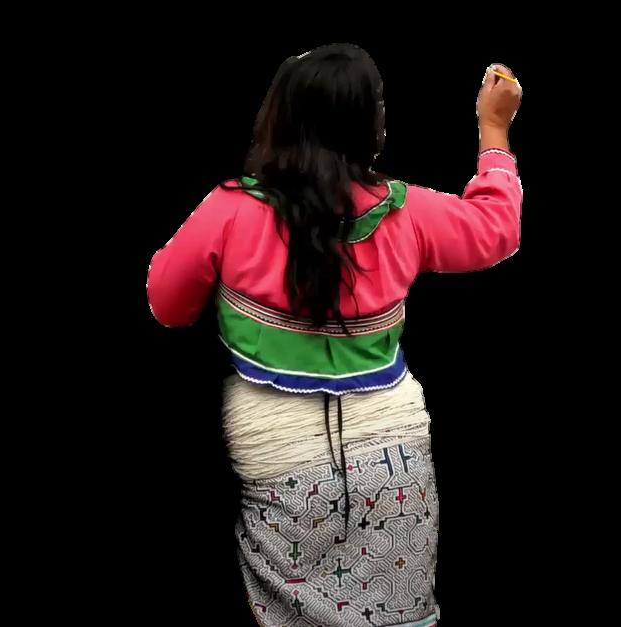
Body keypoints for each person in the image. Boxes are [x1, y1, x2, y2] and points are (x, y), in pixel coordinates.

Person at [146, 43, 522, 626]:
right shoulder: (406, 212)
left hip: (276, 459)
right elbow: (496, 229)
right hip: (393, 466)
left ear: (277, 117)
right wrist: (493, 129)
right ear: (372, 125)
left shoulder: (228, 210)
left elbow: (167, 306)